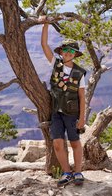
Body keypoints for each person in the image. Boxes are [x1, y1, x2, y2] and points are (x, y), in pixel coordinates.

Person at [40, 16, 86, 187]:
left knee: (75, 142)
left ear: (75, 54)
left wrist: (82, 118)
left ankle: (79, 172)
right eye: (65, 51)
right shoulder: (56, 65)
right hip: (56, 113)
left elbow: (82, 97)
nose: (67, 54)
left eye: (71, 51)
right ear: (61, 52)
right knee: (58, 143)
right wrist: (45, 24)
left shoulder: (80, 73)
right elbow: (44, 45)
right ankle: (67, 172)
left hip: (72, 114)